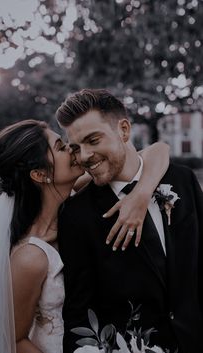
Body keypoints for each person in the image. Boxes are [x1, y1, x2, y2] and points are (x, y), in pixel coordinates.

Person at [0, 119, 169, 353]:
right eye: (61, 147)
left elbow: (158, 150)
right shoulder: (30, 257)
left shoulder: (76, 198)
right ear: (40, 174)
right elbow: (15, 339)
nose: (74, 150)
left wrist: (141, 193)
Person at [56, 89, 203, 353]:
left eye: (93, 140)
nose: (85, 155)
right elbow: (79, 314)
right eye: (76, 148)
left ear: (124, 130)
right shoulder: (76, 216)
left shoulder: (183, 180)